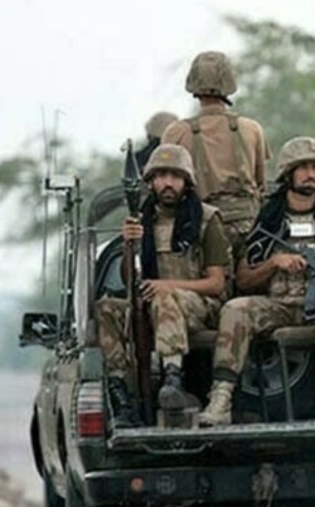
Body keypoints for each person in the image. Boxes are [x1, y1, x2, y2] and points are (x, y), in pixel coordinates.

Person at [198, 136, 315, 426]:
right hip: (277, 305)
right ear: (288, 174)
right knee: (235, 309)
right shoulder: (268, 220)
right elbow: (244, 278)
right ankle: (221, 399)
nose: (310, 174)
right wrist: (274, 263)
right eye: (302, 167)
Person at [96, 143, 230, 427]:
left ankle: (172, 376)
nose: (168, 183)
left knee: (163, 297)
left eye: (175, 176)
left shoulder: (206, 219)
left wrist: (167, 286)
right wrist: (129, 245)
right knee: (106, 307)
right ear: (151, 182)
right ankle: (120, 392)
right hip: (151, 304)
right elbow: (130, 281)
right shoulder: (142, 221)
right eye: (161, 175)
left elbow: (216, 284)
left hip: (199, 307)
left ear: (186, 181)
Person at [161, 51, 270, 256]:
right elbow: (260, 183)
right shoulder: (251, 129)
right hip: (248, 228)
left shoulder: (176, 132)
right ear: (230, 83)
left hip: (200, 227)